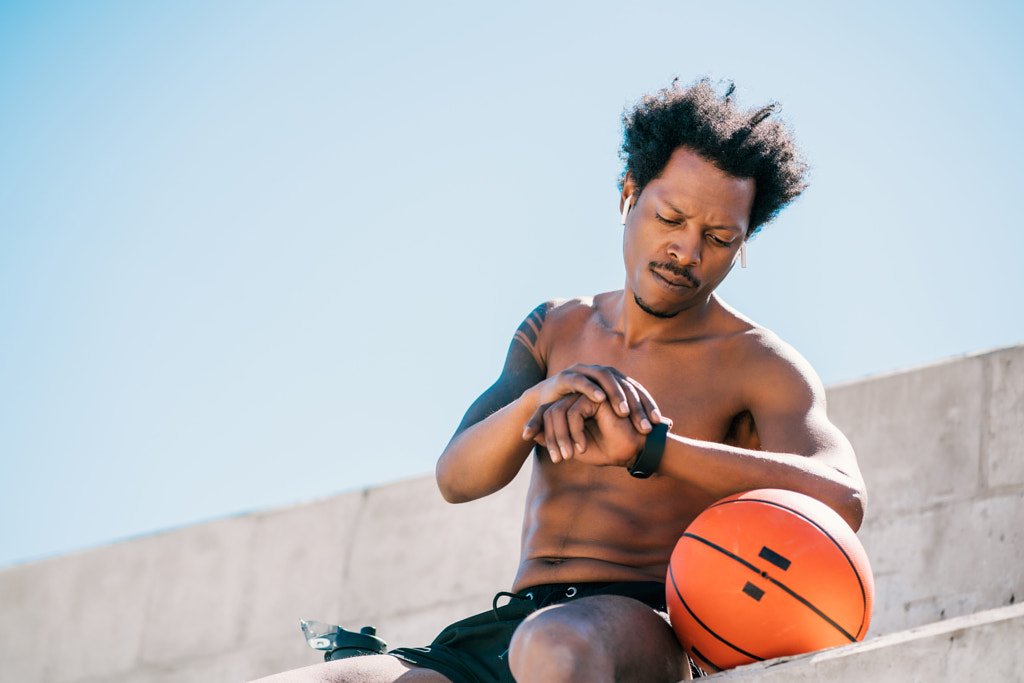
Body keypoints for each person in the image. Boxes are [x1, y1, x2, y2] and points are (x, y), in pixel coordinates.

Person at [252, 78, 866, 683]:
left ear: (743, 243)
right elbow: (455, 478)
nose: (686, 251)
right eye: (671, 218)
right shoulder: (552, 328)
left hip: (641, 624)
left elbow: (844, 498)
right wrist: (539, 400)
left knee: (552, 645)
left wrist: (654, 449)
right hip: (508, 626)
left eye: (718, 237)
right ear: (628, 194)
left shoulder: (759, 362)